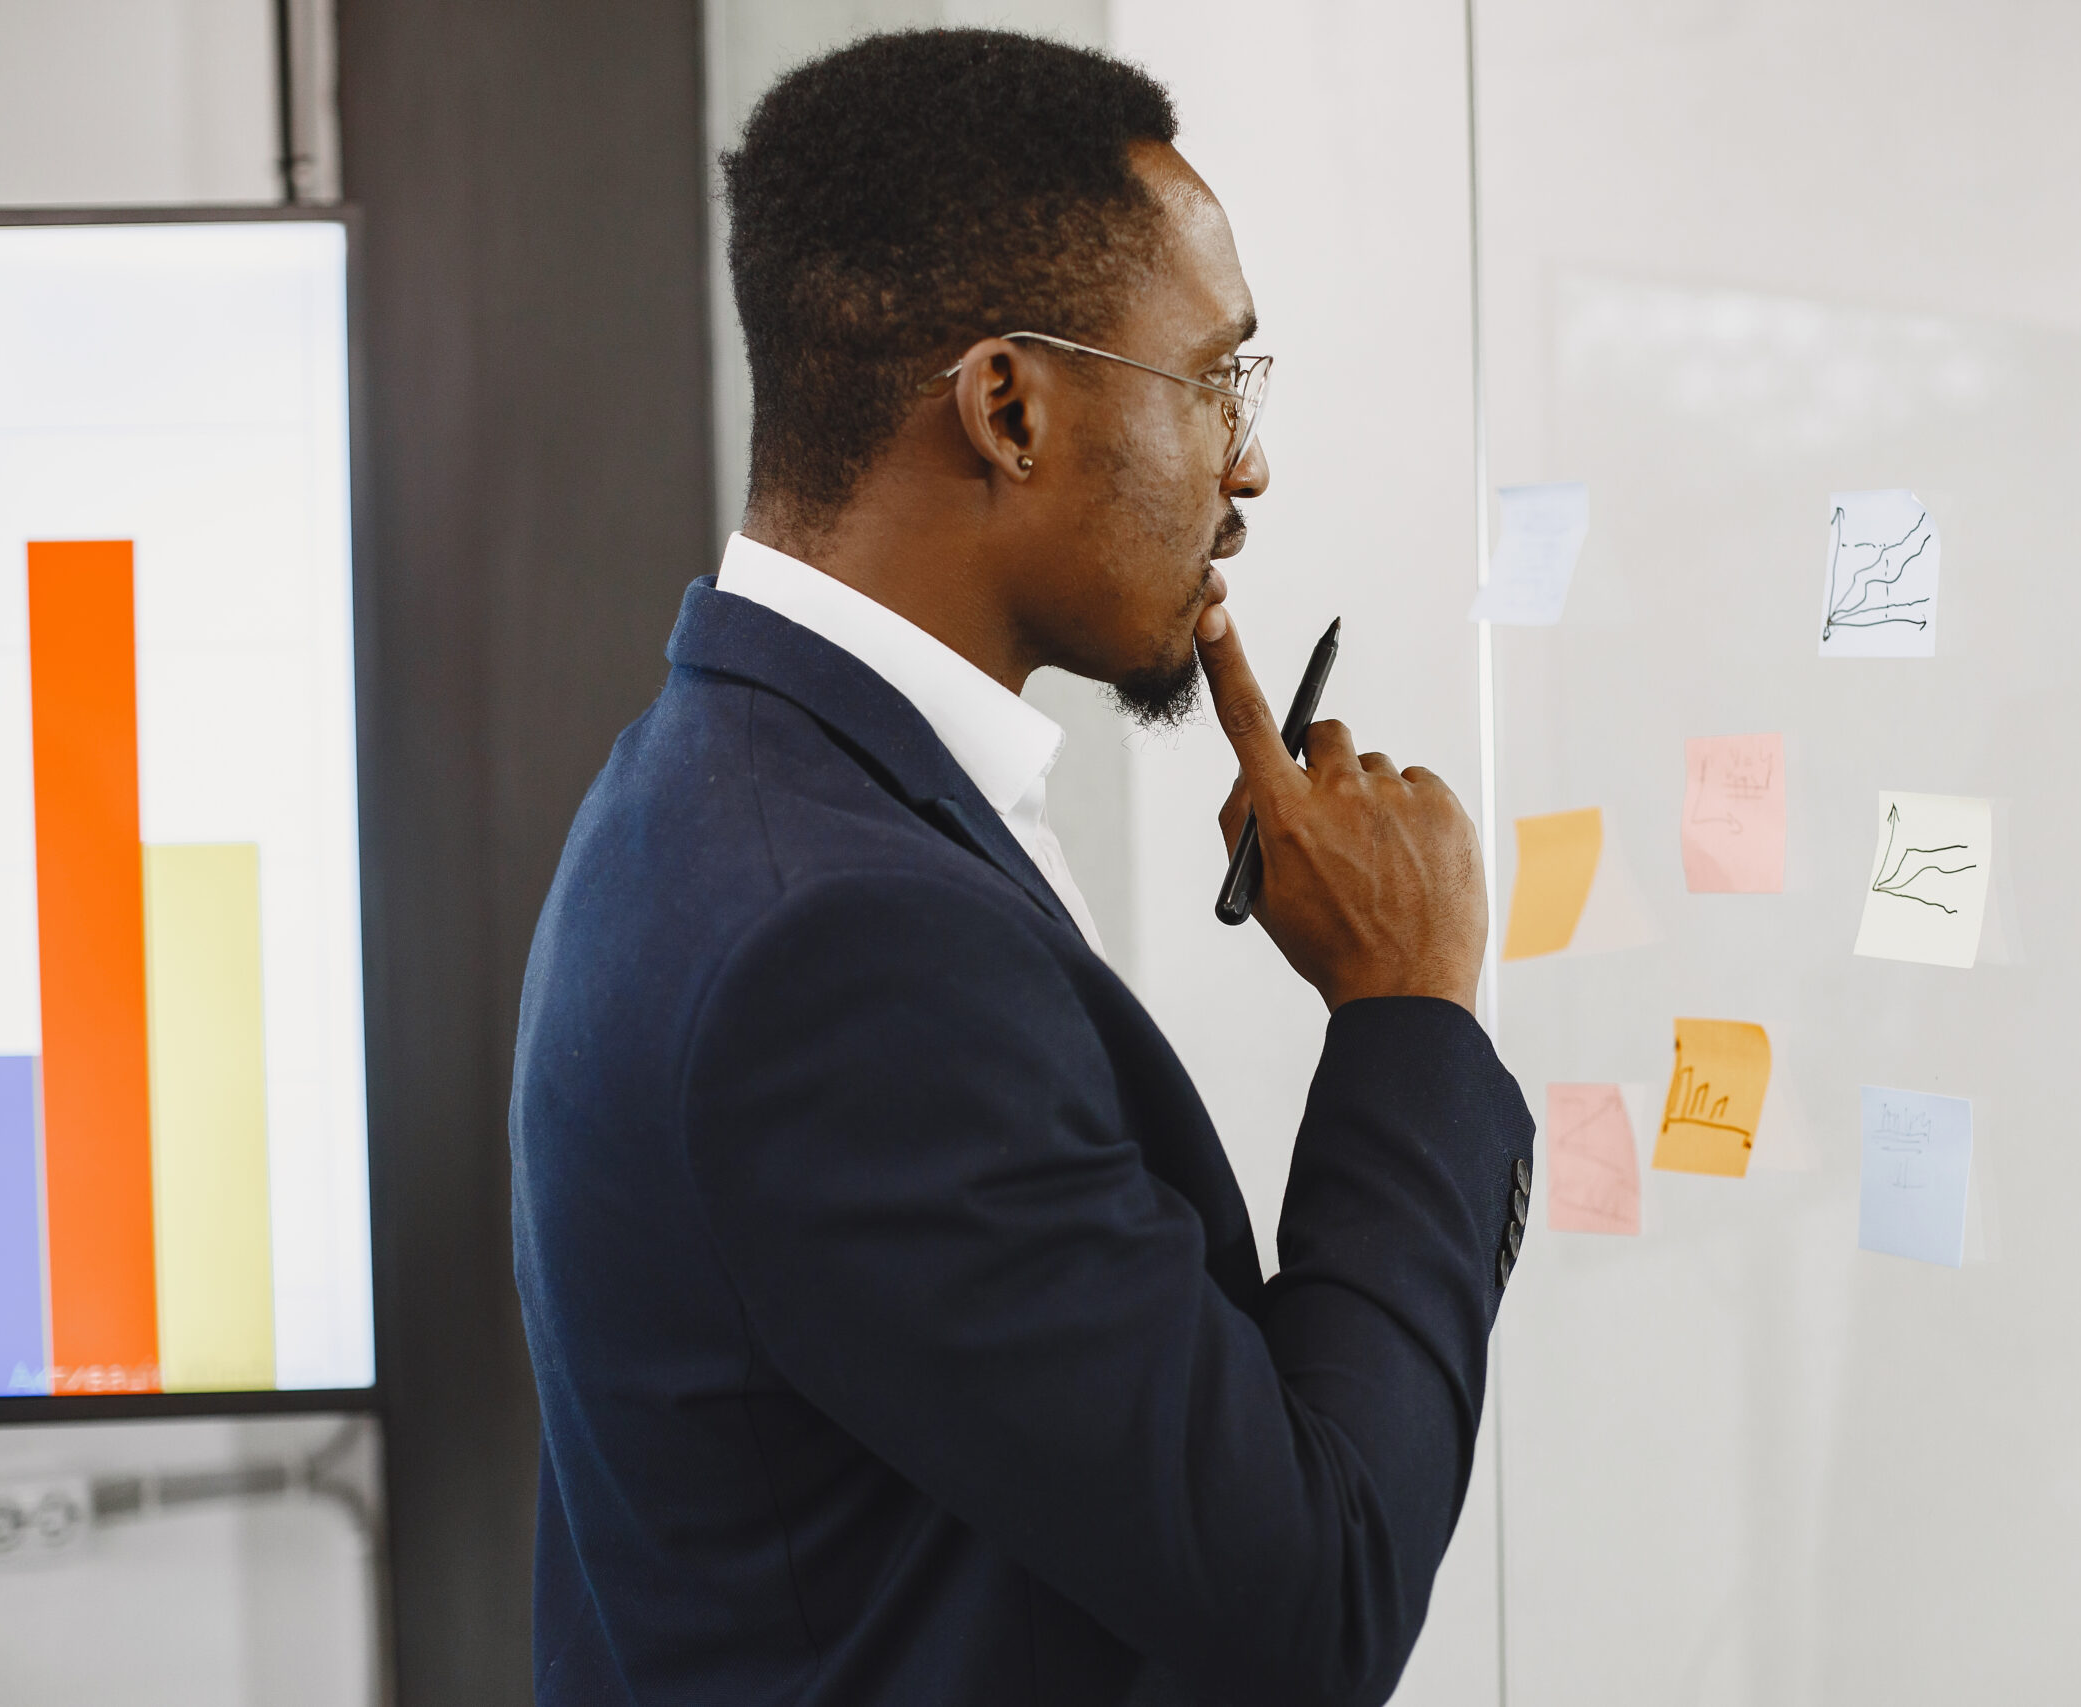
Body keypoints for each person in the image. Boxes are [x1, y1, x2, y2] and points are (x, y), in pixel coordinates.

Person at [509, 28, 1535, 1707]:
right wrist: (1407, 1010)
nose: (1249, 460)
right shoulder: (847, 948)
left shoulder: (717, 786)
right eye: (1217, 378)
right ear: (1008, 406)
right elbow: (1313, 1590)